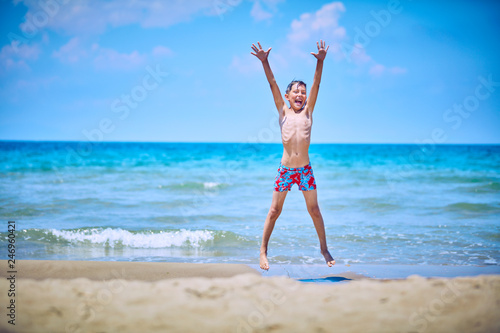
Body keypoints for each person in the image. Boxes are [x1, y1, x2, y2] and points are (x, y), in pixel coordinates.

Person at [251, 40, 335, 271]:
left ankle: (324, 248)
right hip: (286, 170)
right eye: (295, 92)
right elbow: (272, 83)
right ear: (287, 96)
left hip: (305, 169)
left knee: (314, 210)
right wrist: (265, 61)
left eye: (302, 92)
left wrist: (320, 62)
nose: (300, 94)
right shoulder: (283, 111)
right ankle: (263, 251)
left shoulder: (308, 111)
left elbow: (317, 83)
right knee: (274, 211)